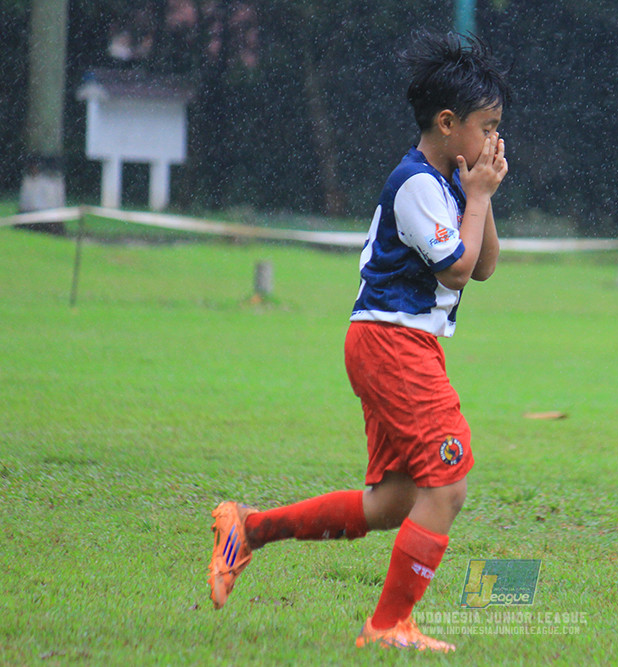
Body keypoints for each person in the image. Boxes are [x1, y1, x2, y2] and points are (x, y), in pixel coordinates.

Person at [206, 30, 510, 654]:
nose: (494, 141)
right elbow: (456, 267)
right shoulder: (417, 183)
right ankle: (388, 625)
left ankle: (248, 530)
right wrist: (473, 197)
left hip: (395, 343)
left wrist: (481, 194)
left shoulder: (447, 180)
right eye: (488, 126)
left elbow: (483, 266)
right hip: (394, 343)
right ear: (448, 123)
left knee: (393, 503)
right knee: (448, 485)